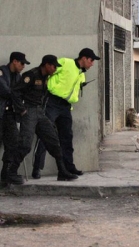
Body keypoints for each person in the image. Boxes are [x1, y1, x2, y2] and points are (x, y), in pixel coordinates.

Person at [7, 55, 78, 185]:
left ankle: (62, 171)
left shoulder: (47, 77)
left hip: (39, 112)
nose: (55, 68)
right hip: (29, 111)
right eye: (53, 66)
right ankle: (11, 173)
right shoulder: (31, 75)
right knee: (25, 144)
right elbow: (15, 92)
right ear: (46, 65)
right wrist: (21, 110)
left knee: (53, 140)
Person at [33, 48, 100, 179]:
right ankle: (37, 168)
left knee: (67, 137)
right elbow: (47, 72)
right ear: (84, 58)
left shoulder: (82, 74)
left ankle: (68, 168)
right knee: (45, 135)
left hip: (66, 107)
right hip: (52, 102)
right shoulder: (65, 63)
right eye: (91, 60)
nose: (92, 63)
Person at [0, 52, 29, 184]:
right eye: (22, 63)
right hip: (1, 113)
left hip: (10, 115)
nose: (23, 66)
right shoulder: (1, 72)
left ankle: (6, 173)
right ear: (15, 61)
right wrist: (16, 95)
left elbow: (21, 94)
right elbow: (5, 90)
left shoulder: (18, 78)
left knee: (13, 143)